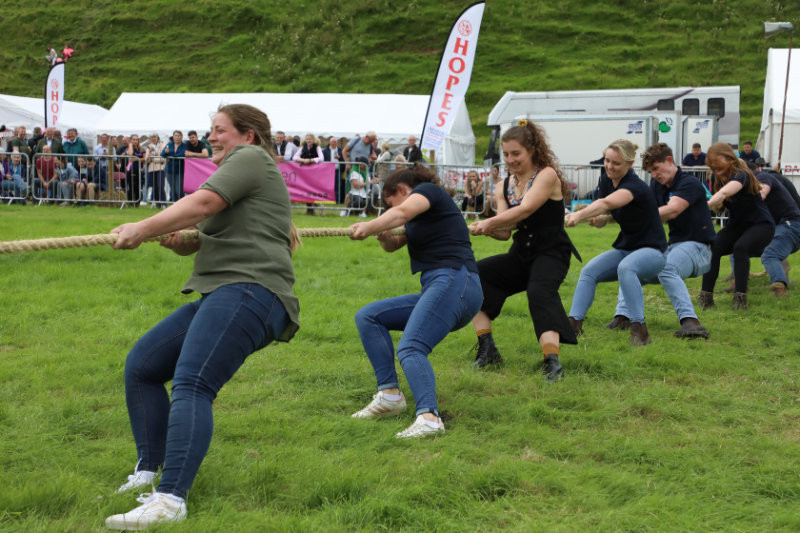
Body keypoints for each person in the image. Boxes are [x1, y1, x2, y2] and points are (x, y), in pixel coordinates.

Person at [104, 104, 300, 530]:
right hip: (227, 292)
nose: (211, 137)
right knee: (143, 366)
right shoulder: (242, 169)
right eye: (210, 130)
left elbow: (204, 202)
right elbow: (209, 232)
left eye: (219, 130)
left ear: (248, 135)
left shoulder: (249, 157)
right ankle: (149, 472)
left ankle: (170, 500)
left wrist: (143, 227)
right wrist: (179, 241)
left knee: (193, 384)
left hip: (249, 290)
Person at [348, 163, 482, 437]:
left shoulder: (428, 192)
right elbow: (393, 244)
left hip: (455, 281)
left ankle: (429, 419)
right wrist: (383, 236)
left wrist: (370, 224)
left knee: (411, 347)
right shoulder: (421, 218)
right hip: (444, 287)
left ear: (401, 190)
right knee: (369, 317)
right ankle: (389, 396)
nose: (391, 210)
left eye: (389, 203)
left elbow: (402, 212)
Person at [468, 120, 578, 379]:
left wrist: (489, 222)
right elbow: (506, 231)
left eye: (516, 153)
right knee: (473, 276)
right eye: (506, 154)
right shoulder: (503, 185)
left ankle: (552, 362)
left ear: (532, 150)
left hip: (552, 252)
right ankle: (487, 350)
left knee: (539, 292)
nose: (510, 160)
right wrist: (486, 229)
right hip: (521, 254)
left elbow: (526, 209)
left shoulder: (546, 175)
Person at [564, 139, 667, 346]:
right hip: (627, 249)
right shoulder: (606, 180)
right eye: (607, 161)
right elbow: (606, 211)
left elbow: (606, 203)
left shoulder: (634, 186)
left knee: (626, 268)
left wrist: (578, 215)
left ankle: (640, 330)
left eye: (616, 163)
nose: (609, 166)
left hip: (653, 251)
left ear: (629, 164)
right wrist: (600, 220)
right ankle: (573, 325)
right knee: (589, 271)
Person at [607, 143, 713, 339]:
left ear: (670, 161)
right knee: (631, 266)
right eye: (650, 172)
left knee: (667, 268)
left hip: (699, 247)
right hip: (673, 246)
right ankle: (623, 317)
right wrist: (611, 215)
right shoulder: (656, 186)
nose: (654, 175)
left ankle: (691, 323)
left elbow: (672, 210)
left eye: (656, 169)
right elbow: (642, 210)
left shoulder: (689, 183)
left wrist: (640, 216)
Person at [699, 142, 775, 310]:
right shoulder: (717, 178)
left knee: (740, 248)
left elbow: (725, 193)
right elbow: (720, 202)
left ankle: (740, 300)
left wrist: (704, 205)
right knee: (713, 247)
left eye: (717, 163)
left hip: (761, 225)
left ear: (729, 159)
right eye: (712, 165)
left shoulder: (742, 175)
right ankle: (706, 299)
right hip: (737, 226)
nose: (715, 168)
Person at [753, 166, 800, 297]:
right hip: (781, 224)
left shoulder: (764, 178)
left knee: (771, 254)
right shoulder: (768, 178)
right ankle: (738, 283)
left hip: (791, 223)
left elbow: (761, 195)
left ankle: (780, 286)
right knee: (739, 248)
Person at [162, 131, 187, 203]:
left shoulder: (184, 145)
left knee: (179, 190)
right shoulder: (169, 144)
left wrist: (170, 154)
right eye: (176, 135)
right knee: (172, 189)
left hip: (180, 171)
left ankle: (182, 203)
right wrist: (166, 153)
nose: (177, 137)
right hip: (169, 170)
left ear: (181, 137)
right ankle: (174, 204)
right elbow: (162, 154)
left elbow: (182, 154)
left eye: (179, 136)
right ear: (173, 137)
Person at [145, 133, 167, 207]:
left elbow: (163, 158)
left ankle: (164, 203)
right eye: (151, 137)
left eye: (154, 137)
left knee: (160, 186)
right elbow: (147, 160)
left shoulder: (162, 145)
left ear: (157, 137)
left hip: (160, 168)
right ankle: (158, 204)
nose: (153, 138)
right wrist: (150, 152)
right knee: (154, 187)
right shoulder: (149, 146)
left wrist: (153, 159)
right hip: (152, 169)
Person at [322, 136, 344, 203]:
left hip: (338, 170)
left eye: (335, 142)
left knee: (338, 186)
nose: (334, 143)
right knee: (328, 186)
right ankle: (328, 200)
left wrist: (339, 158)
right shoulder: (325, 151)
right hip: (328, 171)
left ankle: (337, 201)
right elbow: (323, 161)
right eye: (332, 142)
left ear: (337, 143)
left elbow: (343, 161)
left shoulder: (340, 150)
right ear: (330, 143)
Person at [125, 134, 146, 204]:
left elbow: (145, 159)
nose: (135, 141)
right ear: (131, 140)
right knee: (131, 187)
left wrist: (137, 159)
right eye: (133, 139)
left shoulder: (141, 149)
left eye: (136, 139)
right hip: (131, 170)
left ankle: (137, 203)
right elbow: (130, 155)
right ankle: (130, 203)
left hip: (139, 170)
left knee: (138, 187)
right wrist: (130, 145)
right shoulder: (128, 148)